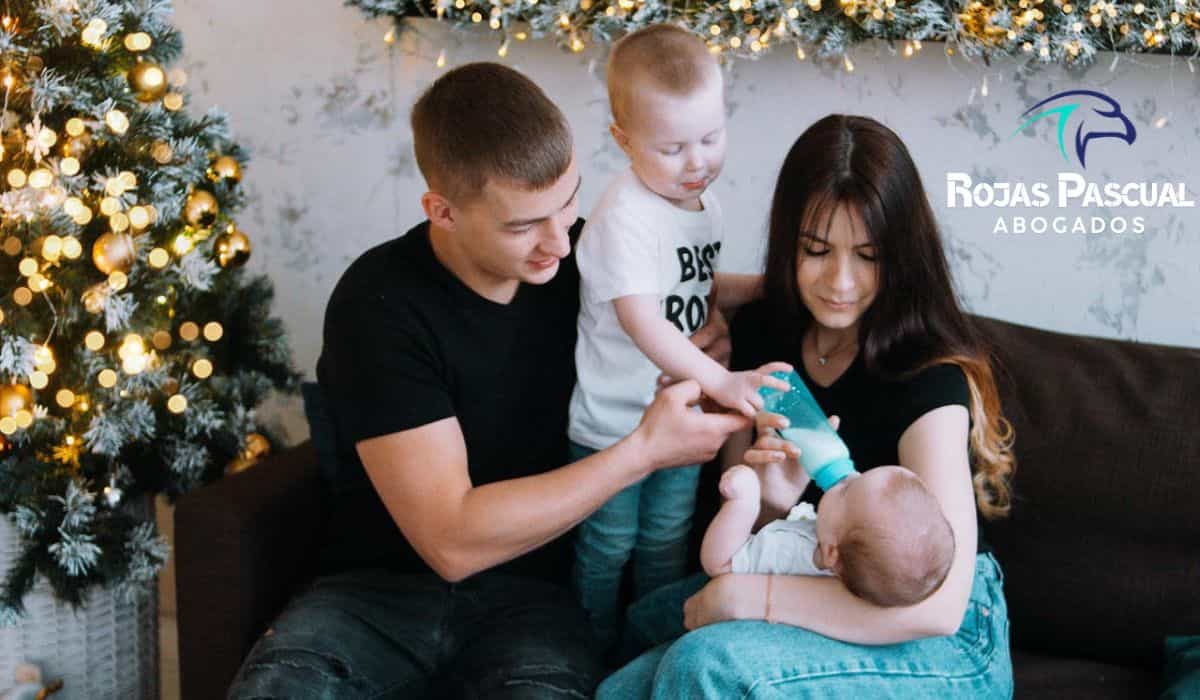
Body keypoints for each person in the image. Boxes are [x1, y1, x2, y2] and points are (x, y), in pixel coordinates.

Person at [226, 62, 757, 699]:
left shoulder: (585, 256)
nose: (559, 244)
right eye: (522, 225)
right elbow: (450, 542)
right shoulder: (380, 303)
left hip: (535, 603)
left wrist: (705, 319)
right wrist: (643, 452)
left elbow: (674, 288)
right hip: (373, 595)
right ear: (442, 211)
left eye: (569, 203)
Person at [598, 114, 1018, 698]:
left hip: (942, 631)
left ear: (900, 256)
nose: (840, 282)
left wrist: (754, 599)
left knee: (703, 664)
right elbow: (756, 538)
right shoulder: (764, 336)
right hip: (813, 571)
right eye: (817, 250)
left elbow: (939, 607)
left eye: (868, 256)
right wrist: (770, 501)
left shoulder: (928, 377)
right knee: (638, 643)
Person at [568, 23, 779, 655]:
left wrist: (770, 287)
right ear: (624, 140)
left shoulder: (701, 207)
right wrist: (720, 380)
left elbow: (698, 287)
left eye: (711, 138)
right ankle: (588, 650)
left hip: (683, 420)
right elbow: (645, 320)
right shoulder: (625, 218)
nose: (697, 163)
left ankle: (652, 649)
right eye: (672, 148)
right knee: (609, 545)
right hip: (616, 425)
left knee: (667, 538)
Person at [701, 463, 956, 611]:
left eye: (847, 489)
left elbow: (720, 563)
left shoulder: (792, 552)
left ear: (832, 552)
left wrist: (743, 503)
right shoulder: (836, 558)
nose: (849, 476)